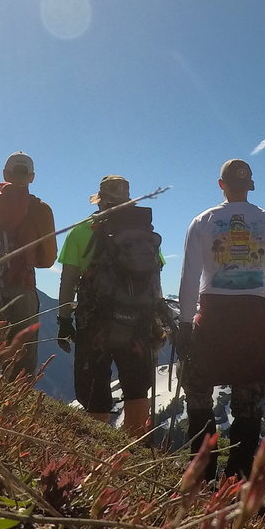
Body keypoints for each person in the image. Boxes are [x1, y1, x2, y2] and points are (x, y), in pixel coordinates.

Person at [177, 159, 265, 480]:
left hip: (212, 316)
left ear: (221, 185)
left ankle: (202, 472)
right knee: (249, 404)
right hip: (254, 318)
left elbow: (188, 277)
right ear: (249, 186)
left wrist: (184, 324)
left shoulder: (203, 221)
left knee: (198, 395)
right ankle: (237, 476)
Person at [57, 175, 165, 438]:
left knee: (94, 391)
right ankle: (135, 456)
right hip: (137, 324)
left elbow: (68, 280)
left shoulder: (82, 231)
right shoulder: (144, 235)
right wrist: (157, 323)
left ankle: (94, 451)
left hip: (95, 324)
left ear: (100, 200)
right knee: (137, 390)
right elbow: (155, 277)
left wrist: (63, 321)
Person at [0, 151, 56, 378]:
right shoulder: (40, 209)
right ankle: (12, 408)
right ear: (32, 177)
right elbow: (48, 260)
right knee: (21, 360)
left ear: (5, 174)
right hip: (21, 287)